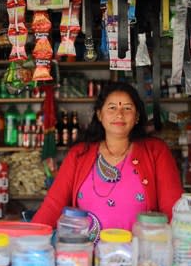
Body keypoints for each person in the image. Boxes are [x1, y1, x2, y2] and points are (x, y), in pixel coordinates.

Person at [32, 81, 183, 232]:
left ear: (136, 116)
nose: (119, 114)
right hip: (84, 253)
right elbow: (53, 205)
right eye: (112, 108)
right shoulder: (78, 154)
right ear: (99, 114)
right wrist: (28, 239)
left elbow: (174, 210)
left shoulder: (156, 151)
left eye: (127, 108)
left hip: (140, 252)